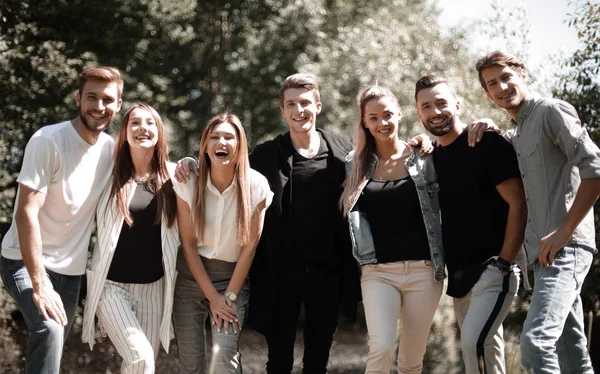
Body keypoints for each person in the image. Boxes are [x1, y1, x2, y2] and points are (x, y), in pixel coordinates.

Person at [475, 51, 600, 373]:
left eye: (506, 77)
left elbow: (595, 169)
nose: (502, 87)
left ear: (522, 74)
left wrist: (565, 230)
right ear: (487, 94)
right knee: (571, 353)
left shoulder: (549, 111)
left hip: (567, 249)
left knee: (535, 343)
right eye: (492, 84)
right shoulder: (515, 136)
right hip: (544, 257)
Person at [0, 66, 123, 373]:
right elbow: (26, 211)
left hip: (71, 272)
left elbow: (151, 163)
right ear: (78, 99)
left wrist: (187, 164)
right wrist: (39, 281)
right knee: (51, 330)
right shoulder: (48, 140)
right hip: (23, 261)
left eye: (107, 99)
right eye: (91, 97)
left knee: (52, 344)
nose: (99, 107)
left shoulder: (110, 150)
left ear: (118, 104)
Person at [246, 74, 361, 374]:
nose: (299, 110)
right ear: (282, 111)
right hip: (281, 272)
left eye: (305, 103)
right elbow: (226, 171)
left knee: (318, 360)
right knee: (279, 359)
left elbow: (377, 163)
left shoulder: (342, 148)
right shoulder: (266, 155)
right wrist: (190, 163)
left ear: (318, 106)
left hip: (328, 271)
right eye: (292, 104)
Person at [415, 74, 528, 373]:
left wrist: (503, 263)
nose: (435, 112)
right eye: (426, 106)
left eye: (441, 103)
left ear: (458, 104)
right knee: (483, 354)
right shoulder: (432, 158)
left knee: (474, 344)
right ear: (418, 114)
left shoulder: (486, 143)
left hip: (494, 268)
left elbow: (518, 203)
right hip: (461, 277)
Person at [340, 85, 445, 373]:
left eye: (387, 115)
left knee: (411, 361)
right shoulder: (354, 164)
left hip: (424, 270)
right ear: (364, 122)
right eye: (373, 118)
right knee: (382, 347)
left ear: (399, 114)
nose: (382, 123)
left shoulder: (424, 158)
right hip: (377, 271)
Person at [81, 103, 179, 373]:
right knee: (141, 359)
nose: (142, 128)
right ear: (124, 133)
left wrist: (191, 162)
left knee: (144, 367)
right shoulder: (106, 176)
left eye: (149, 123)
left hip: (154, 290)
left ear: (159, 132)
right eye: (135, 123)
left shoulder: (175, 177)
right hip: (111, 288)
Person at [172, 112, 272, 373]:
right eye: (214, 137)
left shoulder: (256, 185)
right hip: (191, 279)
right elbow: (188, 244)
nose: (222, 142)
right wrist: (211, 297)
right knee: (191, 363)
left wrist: (226, 297)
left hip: (232, 282)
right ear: (205, 145)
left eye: (229, 137)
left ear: (240, 145)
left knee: (224, 358)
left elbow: (250, 248)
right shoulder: (189, 183)